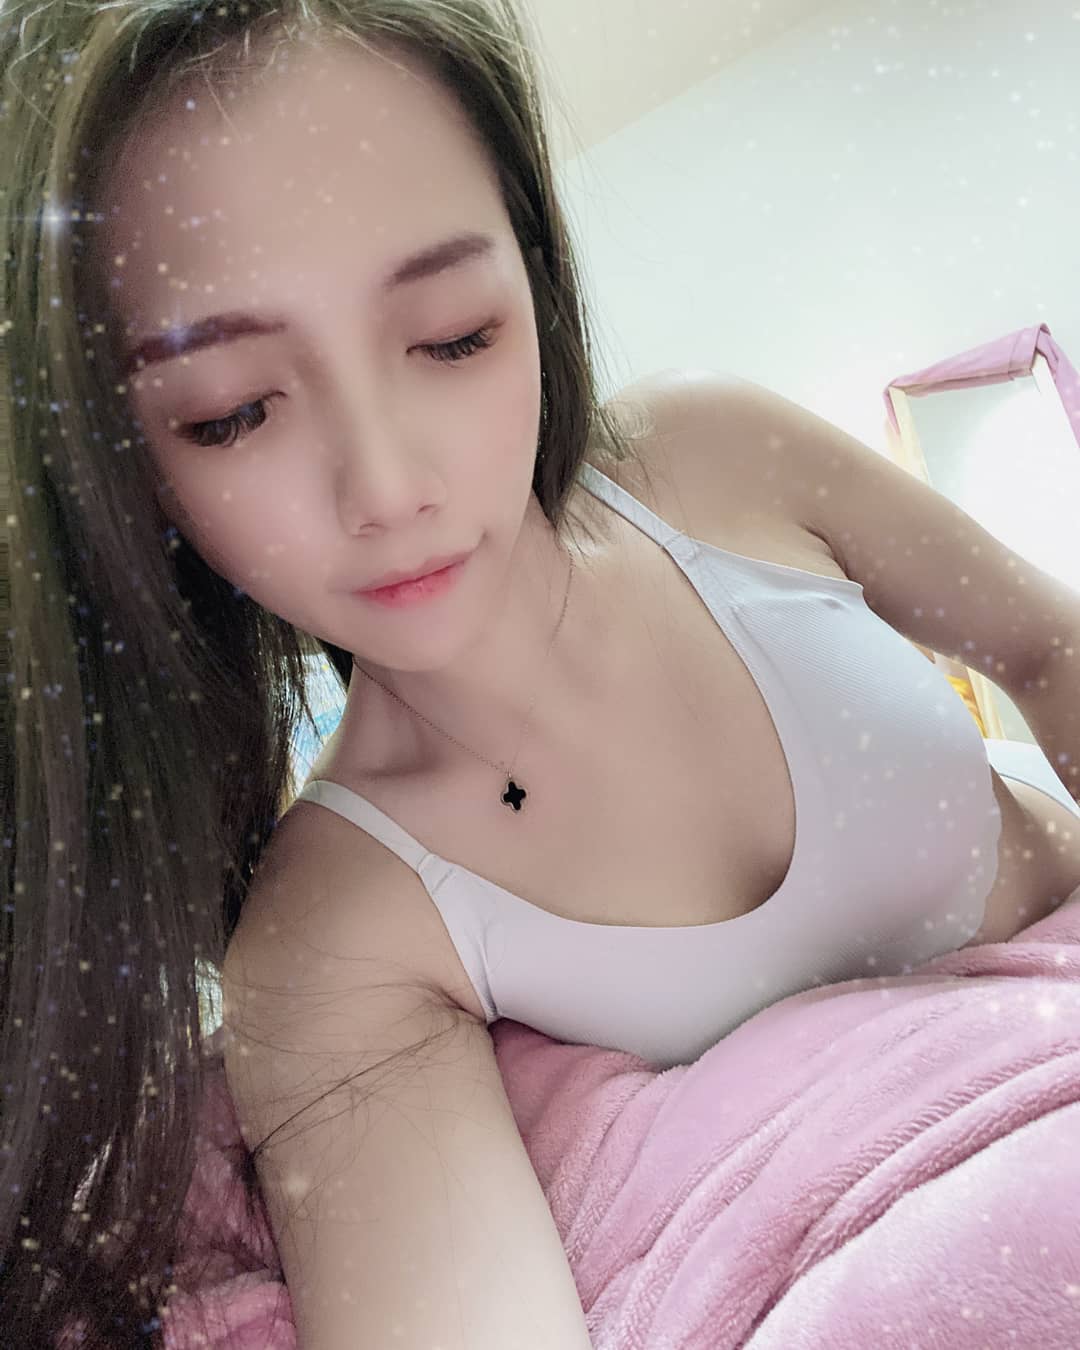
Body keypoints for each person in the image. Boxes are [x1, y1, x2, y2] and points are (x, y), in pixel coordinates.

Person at [4, 2, 1079, 1347]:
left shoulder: (716, 458)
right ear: (130, 476)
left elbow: (1050, 648)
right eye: (232, 412)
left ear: (533, 272)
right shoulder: (329, 937)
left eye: (452, 334)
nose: (388, 486)